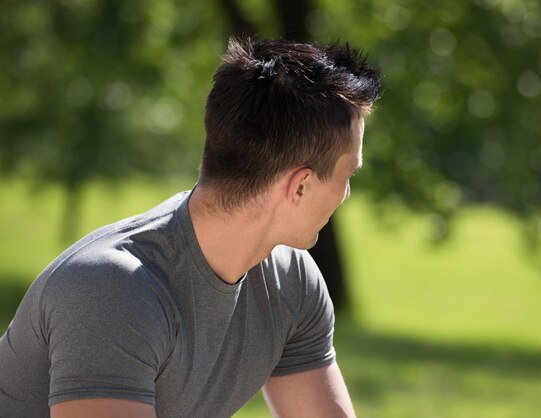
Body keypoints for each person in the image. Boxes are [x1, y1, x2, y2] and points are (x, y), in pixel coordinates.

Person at [0, 37, 381, 418]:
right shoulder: (112, 288)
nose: (346, 194)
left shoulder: (289, 281)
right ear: (299, 186)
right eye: (347, 175)